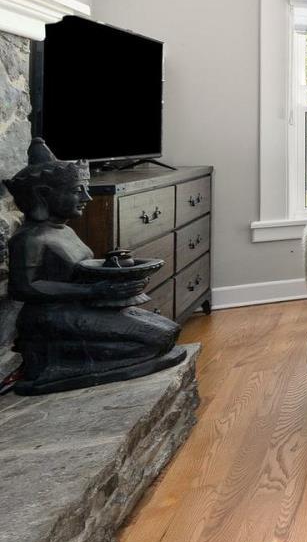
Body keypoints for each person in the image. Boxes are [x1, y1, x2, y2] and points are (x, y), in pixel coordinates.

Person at [5, 138, 182, 394]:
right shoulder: (29, 239)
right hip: (49, 318)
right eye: (78, 190)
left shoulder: (63, 231)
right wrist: (92, 291)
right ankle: (59, 368)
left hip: (79, 306)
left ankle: (77, 362)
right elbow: (23, 287)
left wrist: (113, 268)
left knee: (170, 331)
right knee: (159, 338)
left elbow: (78, 268)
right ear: (44, 194)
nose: (87, 197)